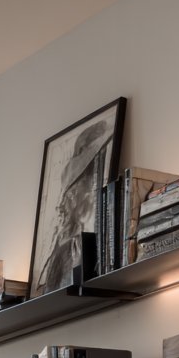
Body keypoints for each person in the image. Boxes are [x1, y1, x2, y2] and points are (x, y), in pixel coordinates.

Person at [33, 120, 105, 296]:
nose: (62, 206)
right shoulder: (65, 248)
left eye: (71, 197)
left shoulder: (77, 245)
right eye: (67, 197)